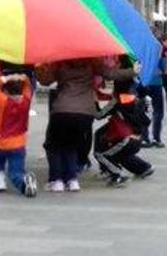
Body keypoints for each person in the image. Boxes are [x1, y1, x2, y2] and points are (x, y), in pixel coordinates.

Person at [36, 58, 137, 193]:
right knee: (72, 146)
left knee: (54, 146)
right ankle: (72, 180)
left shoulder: (60, 62)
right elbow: (110, 74)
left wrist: (39, 67)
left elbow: (45, 80)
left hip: (62, 109)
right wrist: (133, 71)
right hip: (85, 112)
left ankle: (56, 180)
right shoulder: (92, 62)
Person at [0, 73, 38, 197]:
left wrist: (6, 78)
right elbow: (28, 85)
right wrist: (23, 77)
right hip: (19, 144)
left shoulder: (4, 101)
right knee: (17, 171)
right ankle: (23, 179)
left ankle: (9, 180)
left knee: (12, 173)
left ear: (6, 91)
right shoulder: (26, 99)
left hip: (1, 142)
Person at [93, 90, 154, 186]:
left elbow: (98, 115)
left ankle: (116, 175)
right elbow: (147, 121)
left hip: (123, 138)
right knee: (120, 154)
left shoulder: (118, 100)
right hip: (138, 138)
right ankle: (143, 168)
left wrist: (95, 102)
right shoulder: (144, 99)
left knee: (100, 154)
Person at [138, 41, 166, 149]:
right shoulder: (158, 47)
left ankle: (144, 137)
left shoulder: (140, 47)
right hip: (156, 82)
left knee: (142, 110)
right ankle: (156, 138)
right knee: (158, 111)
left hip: (143, 82)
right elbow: (163, 66)